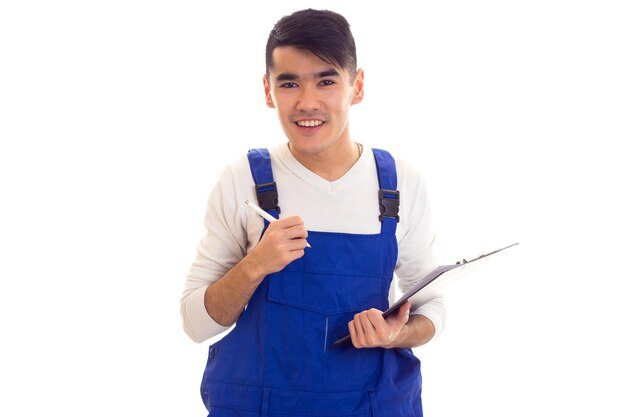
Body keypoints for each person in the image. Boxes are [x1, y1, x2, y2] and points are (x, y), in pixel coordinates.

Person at [180, 8, 445, 417]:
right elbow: (196, 324)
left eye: (326, 80)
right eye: (289, 83)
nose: (307, 102)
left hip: (373, 405)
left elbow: (434, 309)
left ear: (356, 86)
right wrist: (255, 266)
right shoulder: (242, 182)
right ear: (268, 92)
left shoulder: (398, 185)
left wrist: (397, 334)